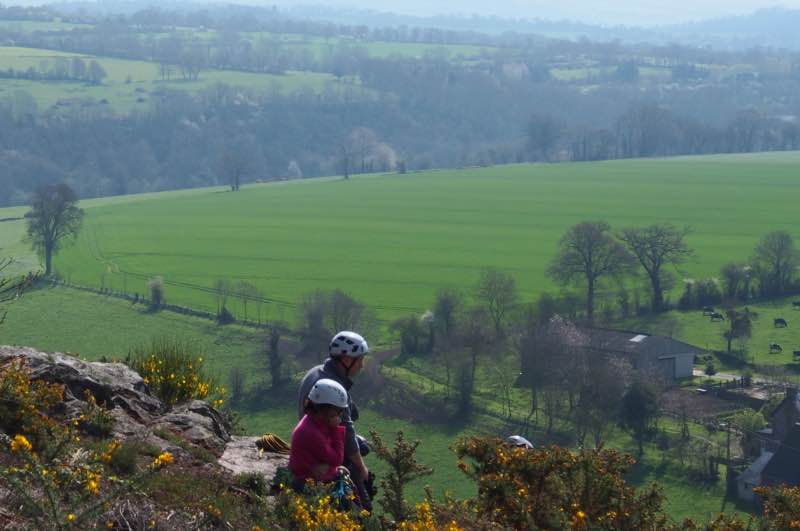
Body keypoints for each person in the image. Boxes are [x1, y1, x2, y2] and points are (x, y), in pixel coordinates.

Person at [297, 331, 372, 509]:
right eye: (359, 360)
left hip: (311, 440)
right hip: (321, 451)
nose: (361, 365)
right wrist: (362, 469)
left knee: (363, 445)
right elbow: (347, 432)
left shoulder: (315, 372)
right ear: (346, 360)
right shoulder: (333, 387)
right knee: (363, 506)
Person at [289, 379, 348, 489]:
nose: (339, 415)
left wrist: (332, 468)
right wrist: (335, 429)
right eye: (337, 410)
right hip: (307, 484)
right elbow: (337, 459)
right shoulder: (311, 433)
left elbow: (327, 457)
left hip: (311, 478)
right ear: (325, 408)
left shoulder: (313, 421)